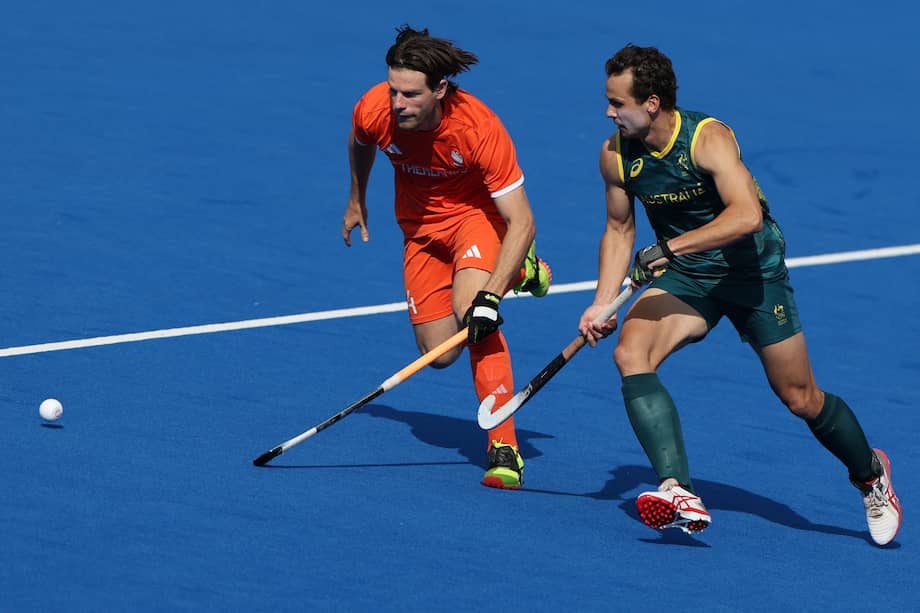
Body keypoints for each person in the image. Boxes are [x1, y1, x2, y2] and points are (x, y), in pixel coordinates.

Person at [578, 44, 901, 545]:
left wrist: (669, 248)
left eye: (618, 103)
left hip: (753, 275)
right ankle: (679, 491)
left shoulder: (708, 139)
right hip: (689, 279)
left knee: (800, 397)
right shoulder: (615, 155)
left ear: (652, 103)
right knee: (630, 353)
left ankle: (870, 475)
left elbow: (747, 216)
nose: (608, 112)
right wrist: (602, 303)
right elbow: (619, 229)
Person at [342, 25, 552, 490]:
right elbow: (360, 141)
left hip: (477, 221)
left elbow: (522, 221)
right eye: (394, 90)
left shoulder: (478, 127)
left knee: (475, 316)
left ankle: (504, 447)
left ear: (439, 89)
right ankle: (520, 269)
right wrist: (357, 197)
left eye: (411, 94)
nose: (398, 103)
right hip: (419, 231)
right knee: (439, 354)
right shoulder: (375, 109)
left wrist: (489, 298)